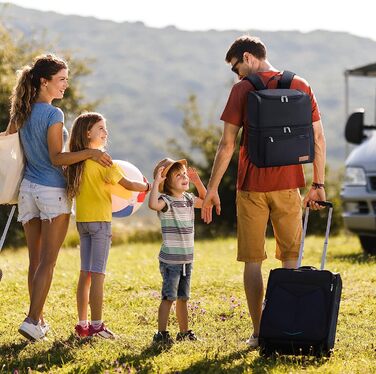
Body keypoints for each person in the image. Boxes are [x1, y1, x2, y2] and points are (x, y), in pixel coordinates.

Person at [201, 36, 326, 348]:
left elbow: (227, 144)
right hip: (289, 186)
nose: (237, 74)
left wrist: (211, 189)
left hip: (252, 187)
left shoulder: (243, 89)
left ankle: (258, 333)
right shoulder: (300, 84)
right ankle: (288, 328)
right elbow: (319, 138)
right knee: (290, 261)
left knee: (253, 261)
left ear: (248, 56)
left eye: (237, 67)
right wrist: (318, 185)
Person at [6, 54, 112, 341]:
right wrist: (91, 153)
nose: (66, 85)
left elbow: (8, 142)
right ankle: (31, 319)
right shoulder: (54, 114)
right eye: (61, 79)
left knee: (35, 261)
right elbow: (56, 158)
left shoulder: (22, 111)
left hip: (27, 191)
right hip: (52, 192)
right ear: (44, 82)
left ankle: (37, 320)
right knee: (48, 262)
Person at [65, 112, 151, 339]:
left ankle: (82, 325)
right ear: (88, 133)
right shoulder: (103, 159)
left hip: (82, 222)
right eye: (101, 128)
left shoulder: (76, 160)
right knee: (98, 274)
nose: (106, 132)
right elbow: (129, 184)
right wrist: (146, 187)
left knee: (85, 273)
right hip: (100, 223)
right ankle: (96, 325)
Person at [149, 158, 206, 344]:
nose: (184, 176)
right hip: (171, 262)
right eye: (178, 175)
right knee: (168, 297)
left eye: (184, 173)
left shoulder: (189, 199)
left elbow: (206, 201)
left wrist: (197, 182)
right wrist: (156, 183)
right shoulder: (165, 201)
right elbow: (152, 205)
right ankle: (161, 333)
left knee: (183, 298)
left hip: (186, 260)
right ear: (167, 182)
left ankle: (184, 332)